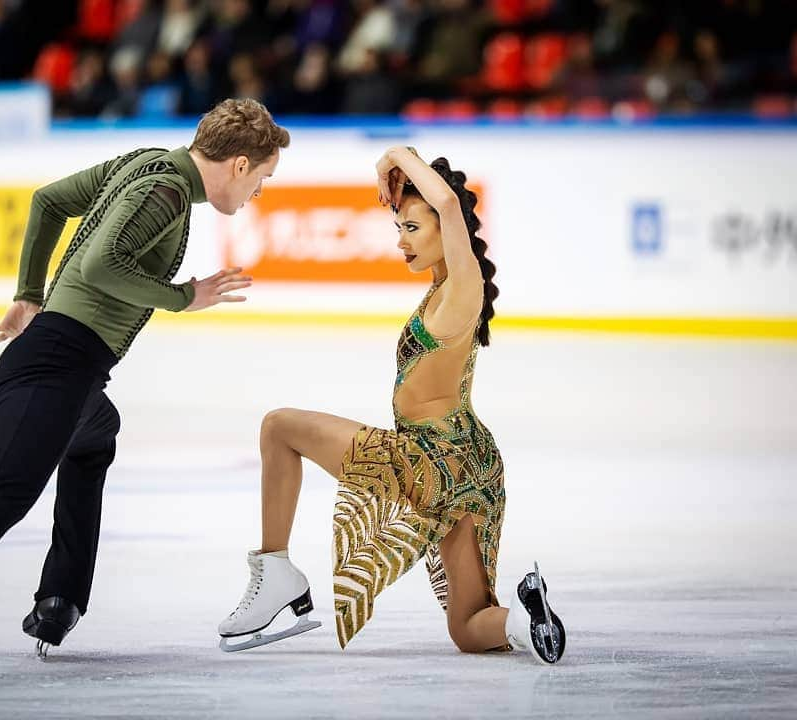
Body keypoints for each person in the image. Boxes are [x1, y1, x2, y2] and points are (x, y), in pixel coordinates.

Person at [0, 98, 290, 695]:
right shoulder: (167, 193)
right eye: (263, 181)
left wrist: (27, 292)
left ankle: (61, 596)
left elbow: (48, 201)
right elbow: (100, 266)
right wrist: (182, 296)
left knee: (96, 433)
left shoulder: (143, 164)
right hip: (55, 366)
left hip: (67, 369)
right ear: (241, 164)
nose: (258, 194)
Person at [216, 147, 565, 663]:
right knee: (468, 628)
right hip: (472, 467)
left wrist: (395, 157)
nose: (401, 241)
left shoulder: (461, 287)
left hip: (430, 459)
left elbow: (447, 204)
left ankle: (277, 574)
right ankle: (526, 621)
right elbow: (440, 208)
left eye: (411, 228)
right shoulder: (446, 286)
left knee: (277, 429)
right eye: (398, 227)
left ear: (446, 230)